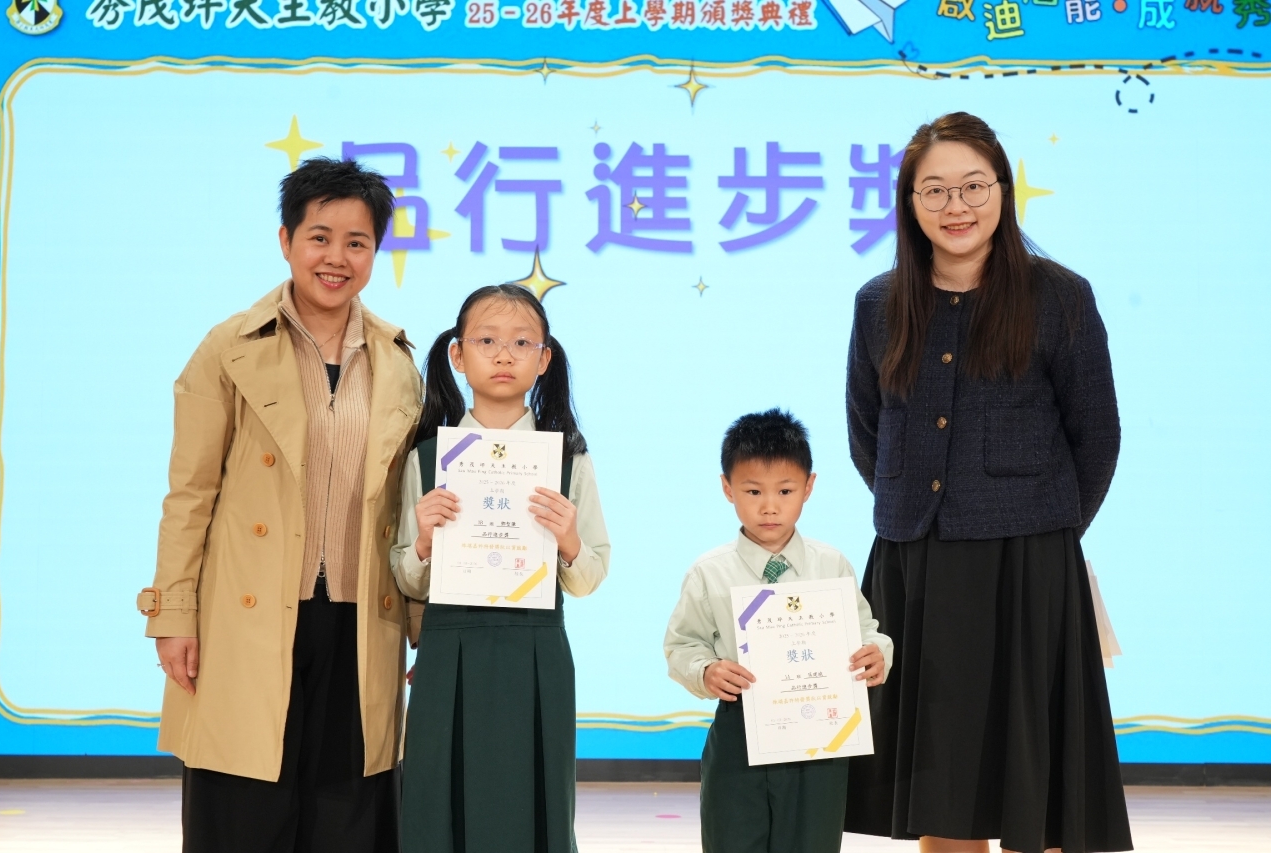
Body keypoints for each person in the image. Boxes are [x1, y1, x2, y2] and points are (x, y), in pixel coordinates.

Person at [843, 112, 1133, 853]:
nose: (957, 206)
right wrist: (921, 504)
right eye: (935, 190)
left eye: (974, 186)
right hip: (916, 566)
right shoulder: (878, 303)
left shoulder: (1059, 297)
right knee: (943, 790)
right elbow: (868, 431)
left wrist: (1045, 528)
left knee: (1038, 786)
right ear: (910, 203)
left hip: (1029, 568)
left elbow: (1097, 436)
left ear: (1003, 190)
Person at [138, 157, 422, 852]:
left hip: (361, 623)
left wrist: (427, 626)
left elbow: (411, 507)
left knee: (347, 819)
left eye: (357, 242)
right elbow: (190, 494)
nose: (337, 258)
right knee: (243, 813)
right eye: (319, 237)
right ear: (286, 240)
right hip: (248, 619)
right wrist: (174, 614)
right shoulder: (229, 347)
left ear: (376, 253)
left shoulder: (398, 361)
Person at [390, 283, 611, 853]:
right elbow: (405, 576)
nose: (504, 355)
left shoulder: (569, 459)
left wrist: (568, 540)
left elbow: (590, 577)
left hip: (535, 652)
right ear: (458, 355)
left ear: (544, 359)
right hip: (448, 651)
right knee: (439, 804)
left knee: (534, 805)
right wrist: (423, 541)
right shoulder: (426, 457)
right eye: (486, 341)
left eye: (521, 343)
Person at [664, 409, 893, 853]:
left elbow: (867, 630)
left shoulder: (831, 564)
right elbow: (682, 646)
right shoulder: (710, 572)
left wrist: (877, 652)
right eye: (753, 491)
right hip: (739, 734)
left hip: (820, 742)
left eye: (785, 491)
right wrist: (706, 671)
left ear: (809, 487)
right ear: (727, 488)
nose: (769, 506)